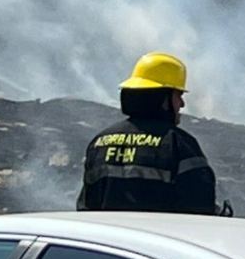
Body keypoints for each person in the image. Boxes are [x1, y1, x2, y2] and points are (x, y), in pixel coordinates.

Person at [78, 52, 219, 215]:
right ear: (163, 98)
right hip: (161, 238)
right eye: (178, 95)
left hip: (106, 239)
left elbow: (86, 208)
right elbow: (201, 211)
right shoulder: (179, 145)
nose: (181, 104)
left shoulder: (100, 143)